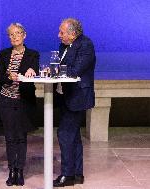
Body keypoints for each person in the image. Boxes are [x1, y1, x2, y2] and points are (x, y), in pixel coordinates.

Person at [53, 18, 96, 187]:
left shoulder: (85, 45)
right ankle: (77, 174)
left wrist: (57, 70)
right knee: (74, 136)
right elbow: (59, 67)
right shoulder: (64, 46)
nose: (59, 35)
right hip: (65, 96)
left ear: (72, 33)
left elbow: (75, 70)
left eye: (62, 32)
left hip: (77, 97)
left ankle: (67, 175)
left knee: (64, 134)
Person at [0, 23, 39, 186]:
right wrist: (9, 77)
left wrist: (29, 73)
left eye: (17, 33)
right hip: (6, 100)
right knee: (10, 137)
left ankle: (20, 170)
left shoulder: (33, 54)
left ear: (24, 35)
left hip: (23, 100)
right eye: (11, 34)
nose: (14, 37)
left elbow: (34, 71)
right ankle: (11, 170)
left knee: (21, 137)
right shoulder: (4, 54)